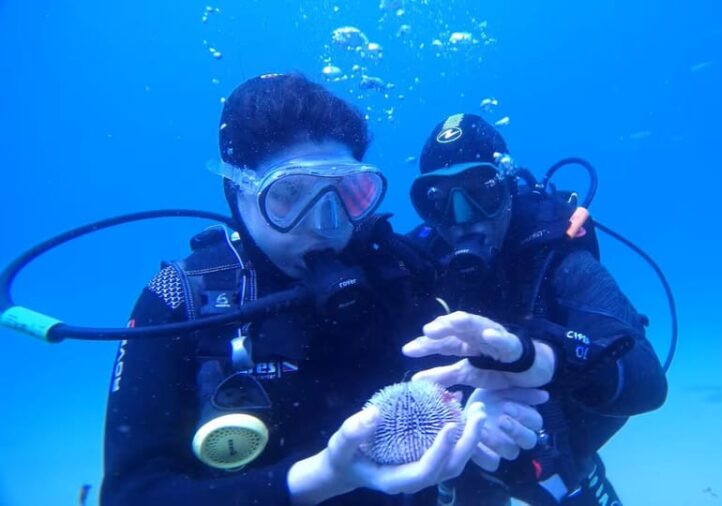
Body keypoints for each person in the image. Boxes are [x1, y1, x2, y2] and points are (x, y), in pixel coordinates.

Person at [100, 75, 548, 506]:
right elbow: (132, 495)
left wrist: (476, 408)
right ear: (236, 191)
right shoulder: (180, 298)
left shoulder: (398, 272)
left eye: (349, 192)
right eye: (289, 193)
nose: (327, 224)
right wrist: (320, 479)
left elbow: (458, 376)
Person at [398, 113, 669, 505]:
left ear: (509, 188)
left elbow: (647, 380)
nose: (462, 218)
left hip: (557, 447)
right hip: (461, 454)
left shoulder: (554, 255)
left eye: (481, 191)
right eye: (439, 201)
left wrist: (549, 359)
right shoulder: (419, 262)